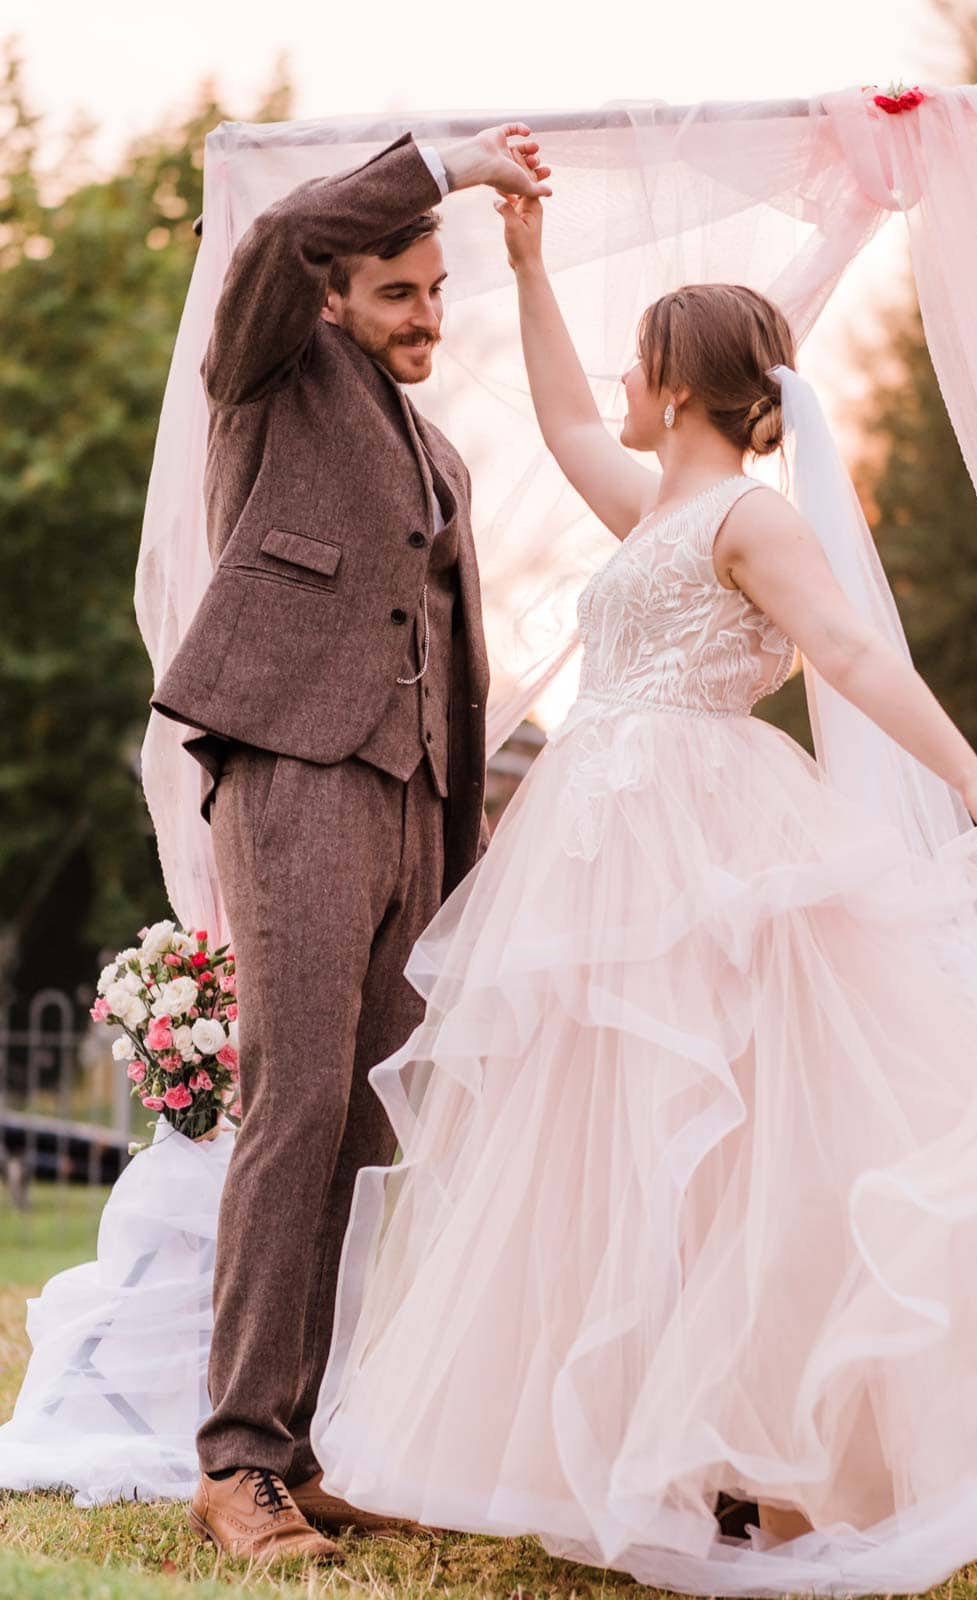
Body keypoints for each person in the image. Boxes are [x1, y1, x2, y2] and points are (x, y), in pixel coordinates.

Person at [308, 186, 977, 1594]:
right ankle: (660, 1446)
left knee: (736, 1145)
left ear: (685, 383)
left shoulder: (752, 525)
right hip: (603, 850)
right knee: (620, 1146)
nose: (620, 387)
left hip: (704, 845)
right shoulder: (654, 509)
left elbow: (857, 660)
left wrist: (971, 777)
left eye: (642, 363)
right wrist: (526, 261)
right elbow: (573, 423)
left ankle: (776, 1455)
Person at [149, 123, 551, 1564]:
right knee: (299, 1101)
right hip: (298, 777)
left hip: (412, 806)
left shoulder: (435, 448)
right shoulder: (268, 366)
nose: (427, 314)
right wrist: (444, 158)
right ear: (335, 294)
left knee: (370, 1126)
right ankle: (234, 1459)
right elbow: (274, 238)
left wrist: (461, 838)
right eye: (399, 291)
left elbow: (450, 652)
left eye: (438, 291)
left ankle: (300, 1449)